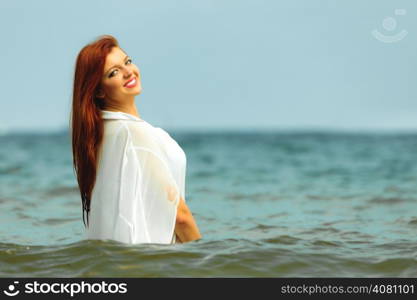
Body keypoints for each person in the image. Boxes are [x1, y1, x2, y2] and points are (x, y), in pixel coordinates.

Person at [70, 35, 201, 244]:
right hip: (155, 263)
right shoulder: (133, 133)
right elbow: (179, 216)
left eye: (127, 62)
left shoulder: (102, 134)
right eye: (114, 72)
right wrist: (205, 261)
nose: (128, 72)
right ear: (99, 91)